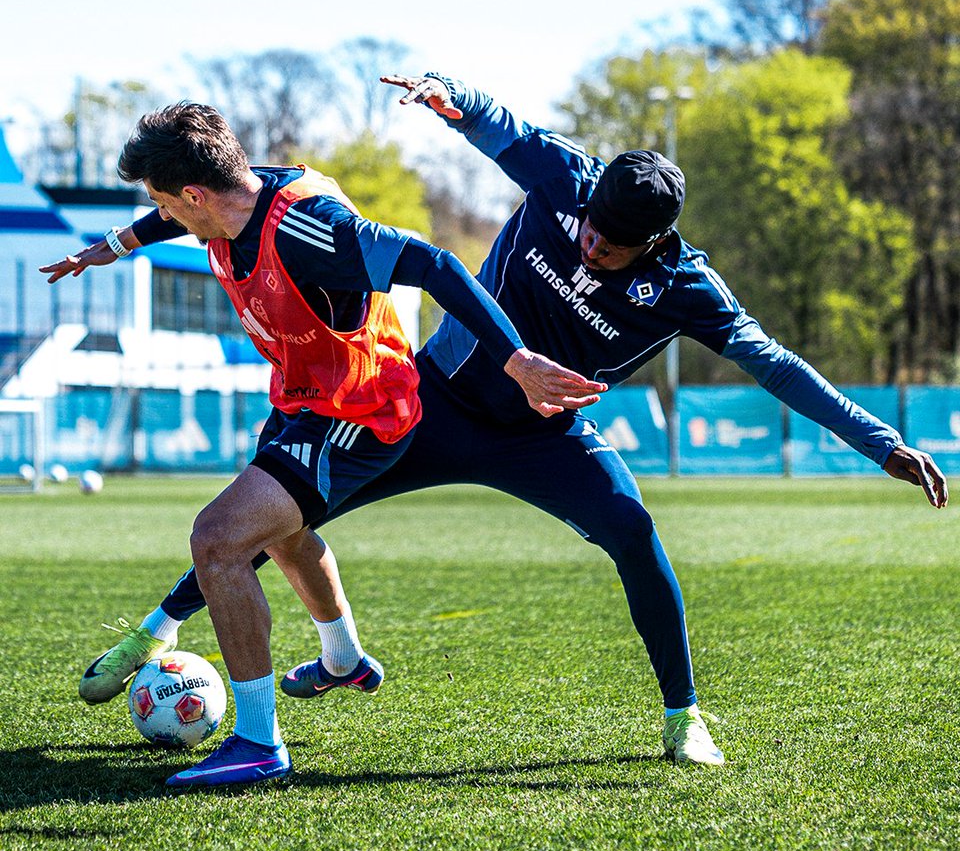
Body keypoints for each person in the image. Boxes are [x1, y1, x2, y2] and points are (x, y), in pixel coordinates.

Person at [52, 76, 948, 773]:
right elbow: (500, 128)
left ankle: (683, 716)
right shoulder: (567, 180)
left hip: (547, 437)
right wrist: (450, 97)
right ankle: (173, 634)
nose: (592, 245)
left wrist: (879, 442)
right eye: (590, 229)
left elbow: (775, 363)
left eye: (613, 245)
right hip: (430, 405)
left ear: (661, 242)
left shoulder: (686, 288)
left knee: (636, 536)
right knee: (277, 516)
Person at [42, 101, 603, 789]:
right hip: (304, 397)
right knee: (284, 533)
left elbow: (433, 263)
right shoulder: (226, 198)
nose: (164, 214)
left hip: (360, 408)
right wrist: (117, 245)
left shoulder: (312, 230)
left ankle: (258, 743)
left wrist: (516, 359)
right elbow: (170, 213)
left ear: (195, 194)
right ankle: (343, 659)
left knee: (219, 539)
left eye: (165, 201)